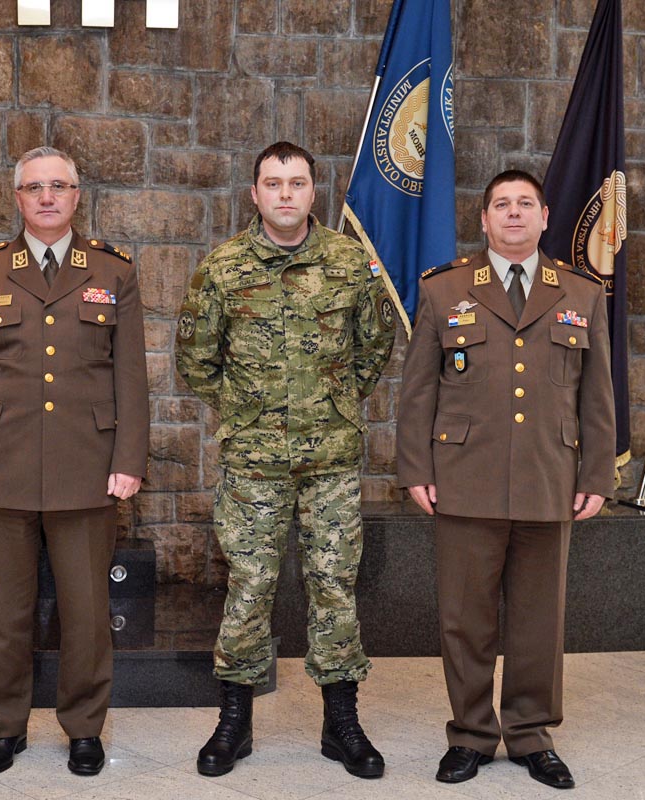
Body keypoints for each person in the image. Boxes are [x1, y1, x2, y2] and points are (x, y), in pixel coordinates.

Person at [175, 141, 396, 779]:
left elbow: (375, 344)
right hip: (253, 462)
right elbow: (196, 359)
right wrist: (246, 410)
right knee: (249, 587)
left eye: (296, 183)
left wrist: (336, 400)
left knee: (334, 586)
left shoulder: (351, 263)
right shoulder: (223, 267)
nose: (285, 194)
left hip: (330, 458)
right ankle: (234, 722)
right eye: (273, 184)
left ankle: (341, 723)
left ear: (312, 191)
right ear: (255, 194)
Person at [395, 169, 615, 790]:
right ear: (484, 219)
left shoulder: (581, 293)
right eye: (501, 205)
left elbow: (597, 396)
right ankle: (469, 734)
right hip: (465, 477)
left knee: (539, 619)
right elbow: (418, 389)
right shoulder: (444, 289)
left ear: (545, 217)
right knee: (465, 619)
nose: (513, 213)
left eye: (525, 204)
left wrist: (597, 472)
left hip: (550, 475)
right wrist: (415, 468)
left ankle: (530, 734)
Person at [0, 146, 149, 777]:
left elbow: (131, 375)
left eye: (60, 185)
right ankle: (6, 727)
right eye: (35, 187)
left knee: (86, 614)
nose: (48, 196)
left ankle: (84, 728)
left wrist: (129, 458)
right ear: (18, 198)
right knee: (4, 615)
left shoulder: (113, 272)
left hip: (88, 465)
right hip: (0, 466)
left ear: (77, 195)